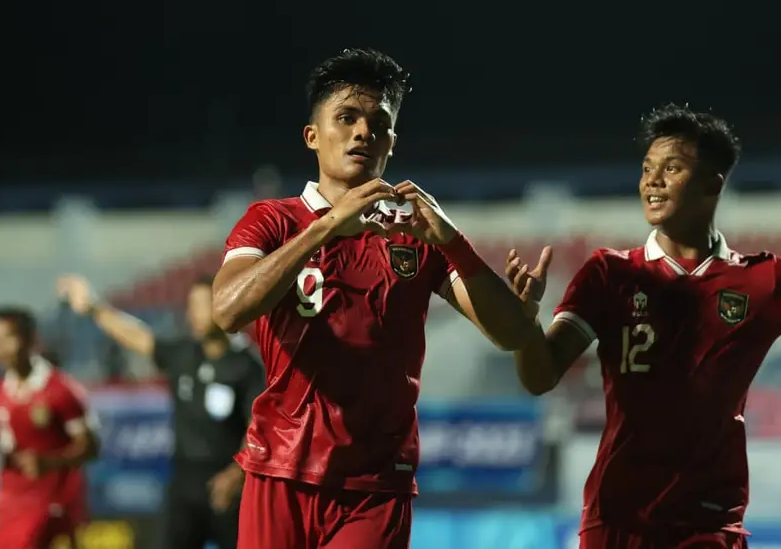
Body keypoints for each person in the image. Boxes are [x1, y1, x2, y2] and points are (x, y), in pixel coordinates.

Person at [507, 103, 781, 548]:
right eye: (647, 169)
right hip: (617, 518)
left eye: (672, 168)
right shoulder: (609, 274)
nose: (652, 181)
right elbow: (539, 376)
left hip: (710, 526)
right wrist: (525, 325)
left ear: (711, 184)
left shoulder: (766, 279)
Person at [211, 48, 540, 549]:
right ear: (312, 136)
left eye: (378, 123)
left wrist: (455, 243)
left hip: (375, 486)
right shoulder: (272, 221)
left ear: (391, 141)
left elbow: (514, 333)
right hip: (279, 470)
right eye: (346, 117)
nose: (363, 132)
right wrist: (323, 231)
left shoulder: (416, 234)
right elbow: (228, 310)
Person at [56, 273, 264, 549]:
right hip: (183, 485)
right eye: (192, 305)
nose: (196, 313)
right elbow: (138, 337)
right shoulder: (183, 354)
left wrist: (237, 474)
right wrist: (95, 307)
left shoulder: (246, 366)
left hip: (228, 485)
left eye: (204, 304)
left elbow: (257, 426)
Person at [0, 306, 100, 549]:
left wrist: (49, 462)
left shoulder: (60, 391)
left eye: (7, 339)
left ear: (30, 341)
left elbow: (91, 448)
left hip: (53, 504)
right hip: (11, 504)